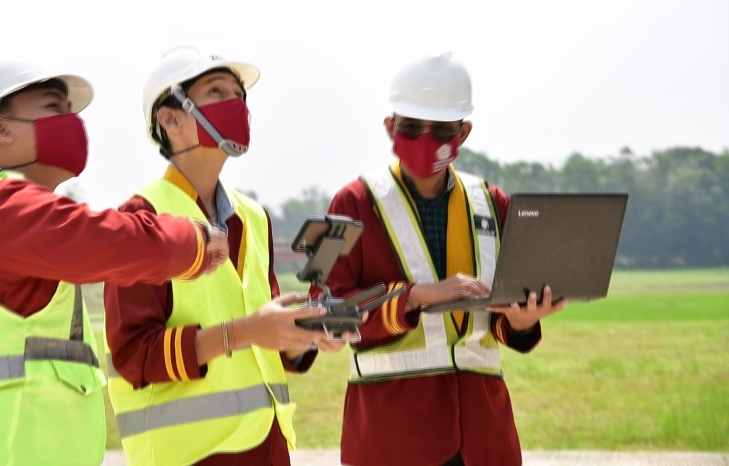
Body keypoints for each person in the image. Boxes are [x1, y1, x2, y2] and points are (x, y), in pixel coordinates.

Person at [0, 60, 229, 466]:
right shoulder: (1, 206)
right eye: (55, 108)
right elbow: (103, 239)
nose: (72, 122)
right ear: (0, 128)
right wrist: (193, 241)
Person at [103, 46, 348, 466]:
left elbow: (265, 339)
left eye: (240, 95)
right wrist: (247, 332)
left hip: (269, 447)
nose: (237, 104)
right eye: (218, 92)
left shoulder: (254, 218)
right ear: (171, 118)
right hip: (190, 455)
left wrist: (303, 335)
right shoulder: (141, 219)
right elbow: (134, 356)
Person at [320, 52, 566, 466]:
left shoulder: (494, 203)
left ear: (463, 132)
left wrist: (521, 322)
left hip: (484, 436)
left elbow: (501, 321)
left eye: (441, 129)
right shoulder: (348, 203)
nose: (425, 138)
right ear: (389, 128)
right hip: (390, 437)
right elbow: (326, 312)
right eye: (411, 127)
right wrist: (416, 296)